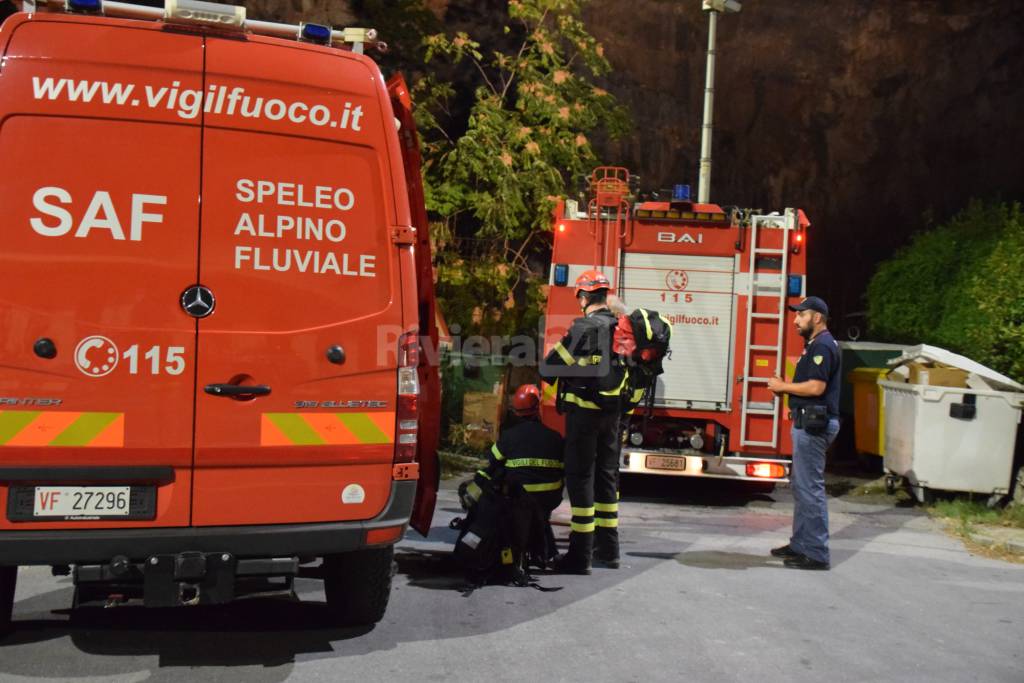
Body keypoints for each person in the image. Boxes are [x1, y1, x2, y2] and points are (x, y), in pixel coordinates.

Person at [541, 270, 626, 574]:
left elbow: (548, 370)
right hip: (613, 418)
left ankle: (580, 556)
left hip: (584, 417)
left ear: (583, 296)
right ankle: (610, 551)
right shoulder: (621, 327)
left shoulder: (582, 328)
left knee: (580, 480)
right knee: (606, 478)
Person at [767, 296, 842, 570]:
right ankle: (800, 545)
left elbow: (816, 388)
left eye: (801, 315)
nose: (796, 320)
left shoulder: (822, 345)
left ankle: (817, 553)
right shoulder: (814, 345)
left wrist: (783, 386)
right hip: (806, 423)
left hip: (814, 426)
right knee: (801, 487)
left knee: (810, 489)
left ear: (817, 318)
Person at [461, 384, 565, 569]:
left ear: (516, 412)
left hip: (518, 498)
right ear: (537, 408)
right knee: (538, 512)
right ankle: (546, 551)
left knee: (494, 478)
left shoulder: (509, 436)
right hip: (550, 498)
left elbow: (493, 460)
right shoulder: (555, 437)